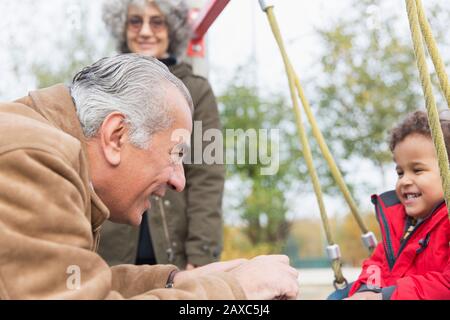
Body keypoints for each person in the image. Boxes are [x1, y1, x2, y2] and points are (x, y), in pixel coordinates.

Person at [0, 54, 299, 299]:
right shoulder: (33, 159)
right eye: (176, 154)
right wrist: (233, 291)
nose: (179, 182)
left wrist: (178, 280)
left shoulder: (39, 148)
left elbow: (73, 284)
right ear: (116, 136)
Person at [99, 0, 225, 270]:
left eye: (157, 21)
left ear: (173, 29)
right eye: (136, 21)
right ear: (122, 27)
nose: (145, 31)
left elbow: (207, 174)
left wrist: (201, 254)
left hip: (174, 254)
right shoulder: (101, 86)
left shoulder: (196, 91)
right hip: (108, 255)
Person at [345, 111, 450, 300]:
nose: (404, 181)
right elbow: (375, 266)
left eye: (417, 170)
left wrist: (384, 296)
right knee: (336, 296)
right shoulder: (398, 224)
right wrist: (367, 291)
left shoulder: (445, 222)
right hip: (388, 293)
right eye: (400, 173)